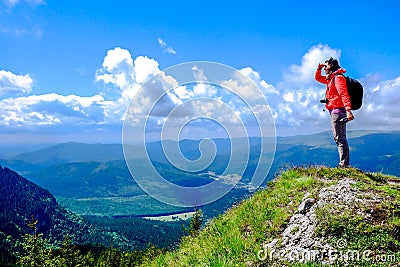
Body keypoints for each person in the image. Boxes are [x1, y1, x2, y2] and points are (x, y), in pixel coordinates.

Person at [315, 57, 354, 167]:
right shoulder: (330, 78)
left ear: (331, 66)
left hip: (338, 111)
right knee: (340, 137)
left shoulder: (338, 78)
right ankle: (344, 164)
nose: (324, 68)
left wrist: (348, 110)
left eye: (326, 66)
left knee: (339, 138)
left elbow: (344, 94)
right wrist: (319, 68)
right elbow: (317, 78)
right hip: (334, 110)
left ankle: (344, 165)